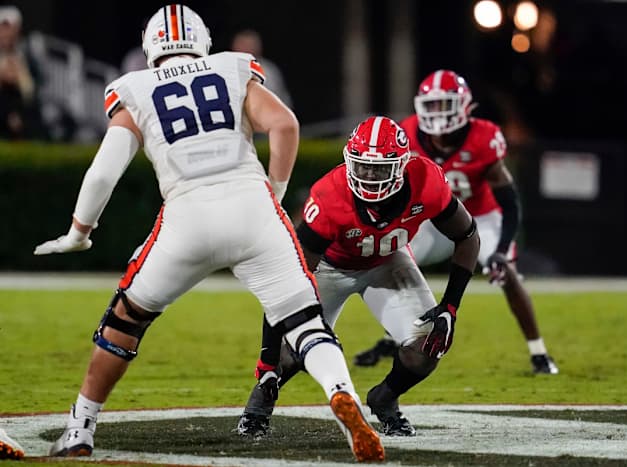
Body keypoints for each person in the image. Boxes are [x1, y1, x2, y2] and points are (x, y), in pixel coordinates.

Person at [32, 5, 383, 463]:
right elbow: (285, 125)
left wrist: (80, 231)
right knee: (304, 322)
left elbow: (103, 172)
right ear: (202, 39)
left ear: (150, 46)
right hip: (252, 208)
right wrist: (273, 193)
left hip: (187, 217)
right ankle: (342, 394)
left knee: (124, 322)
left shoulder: (134, 87)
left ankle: (80, 428)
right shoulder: (232, 67)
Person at [237, 116, 480, 438]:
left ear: (402, 165)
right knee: (291, 352)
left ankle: (385, 400)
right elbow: (289, 281)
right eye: (362, 166)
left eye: (379, 168)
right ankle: (258, 406)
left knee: (428, 346)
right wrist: (267, 363)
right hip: (329, 267)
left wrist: (450, 306)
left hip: (389, 262)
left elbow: (468, 236)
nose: (369, 175)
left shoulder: (426, 181)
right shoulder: (330, 196)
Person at [354, 70, 558, 375]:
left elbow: (510, 201)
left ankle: (538, 351)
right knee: (397, 261)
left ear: (464, 106)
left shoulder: (483, 138)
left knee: (508, 275)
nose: (438, 114)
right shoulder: (408, 134)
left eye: (445, 105)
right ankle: (391, 338)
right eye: (432, 105)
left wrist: (501, 249)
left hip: (481, 218)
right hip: (435, 219)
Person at [0, 5, 44, 140]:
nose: (6, 33)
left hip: (24, 122)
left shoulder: (26, 58)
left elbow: (32, 90)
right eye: (3, 28)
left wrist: (20, 76)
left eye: (10, 28)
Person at [230, 29, 292, 108]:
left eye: (250, 45)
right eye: (242, 44)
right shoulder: (224, 68)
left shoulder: (268, 70)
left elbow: (281, 101)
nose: (246, 48)